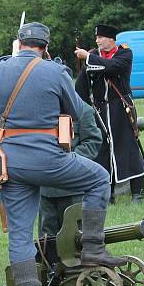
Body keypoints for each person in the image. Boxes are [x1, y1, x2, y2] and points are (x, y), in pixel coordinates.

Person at [0, 22, 126, 286]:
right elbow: (75, 110)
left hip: (11, 164)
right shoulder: (54, 71)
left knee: (20, 233)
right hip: (50, 159)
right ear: (45, 47)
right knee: (99, 177)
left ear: (19, 43)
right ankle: (92, 249)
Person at [74, 24, 144, 203]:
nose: (97, 41)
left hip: (121, 107)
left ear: (111, 39)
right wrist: (81, 106)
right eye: (96, 38)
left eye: (101, 37)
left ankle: (137, 192)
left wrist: (88, 57)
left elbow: (113, 67)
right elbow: (82, 84)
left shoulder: (124, 53)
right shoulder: (94, 55)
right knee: (103, 151)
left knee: (128, 147)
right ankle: (108, 194)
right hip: (100, 109)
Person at [38, 103, 102, 240]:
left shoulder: (83, 110)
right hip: (46, 188)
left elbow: (93, 141)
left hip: (73, 189)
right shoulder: (41, 110)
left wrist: (69, 160)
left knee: (75, 238)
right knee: (47, 239)